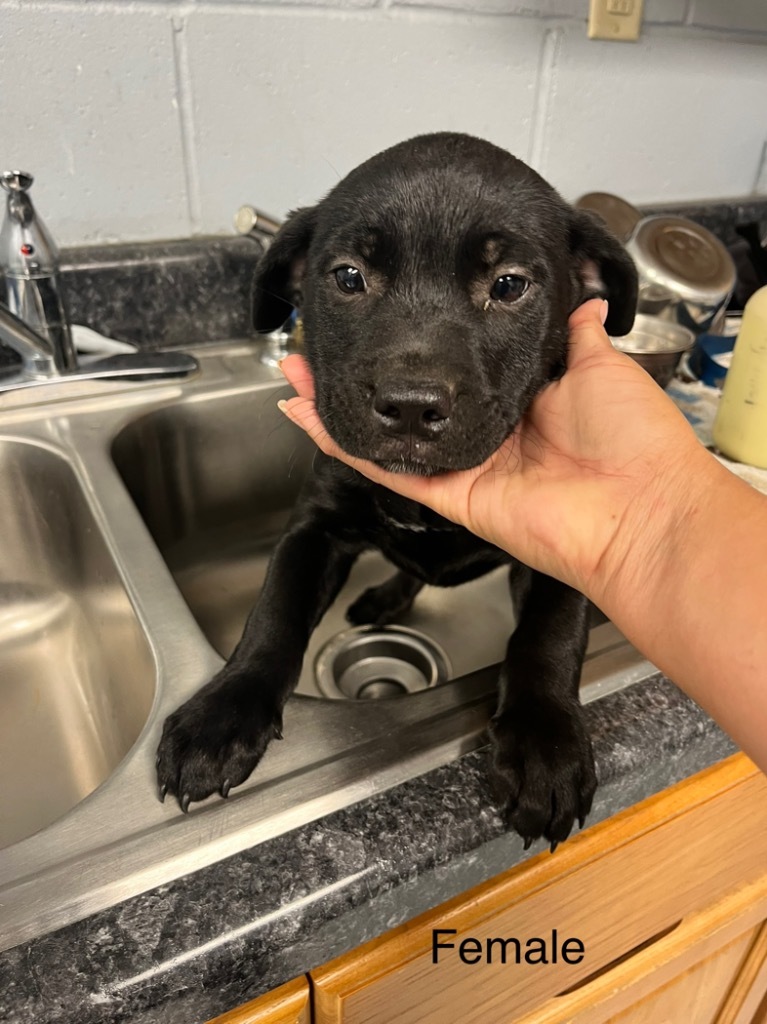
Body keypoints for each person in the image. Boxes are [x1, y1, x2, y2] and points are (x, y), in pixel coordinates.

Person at [278, 298, 767, 775]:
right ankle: (403, 584)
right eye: (351, 279)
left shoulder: (552, 464)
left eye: (507, 286)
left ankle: (410, 593)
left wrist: (543, 691)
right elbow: (318, 534)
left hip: (495, 537)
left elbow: (562, 550)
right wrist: (257, 673)